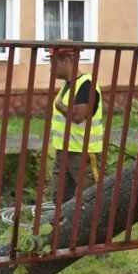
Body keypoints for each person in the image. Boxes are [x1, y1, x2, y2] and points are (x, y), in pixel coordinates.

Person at [48, 44, 104, 207]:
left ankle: (91, 231)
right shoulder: (68, 85)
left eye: (53, 62)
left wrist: (60, 106)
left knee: (89, 199)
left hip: (83, 154)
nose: (50, 67)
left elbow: (78, 116)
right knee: (61, 198)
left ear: (66, 60)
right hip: (63, 151)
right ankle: (64, 230)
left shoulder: (87, 85)